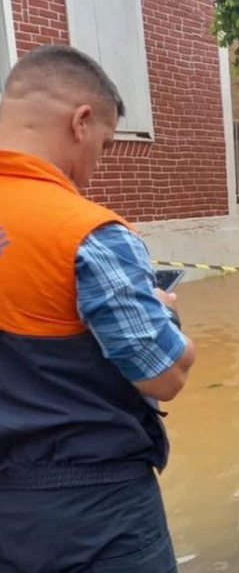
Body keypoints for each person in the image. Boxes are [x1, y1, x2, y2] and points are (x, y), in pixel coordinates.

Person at [0, 45, 196, 572]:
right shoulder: (88, 233)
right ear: (81, 121)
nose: (95, 167)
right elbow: (164, 374)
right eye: (105, 145)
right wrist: (163, 312)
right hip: (93, 513)